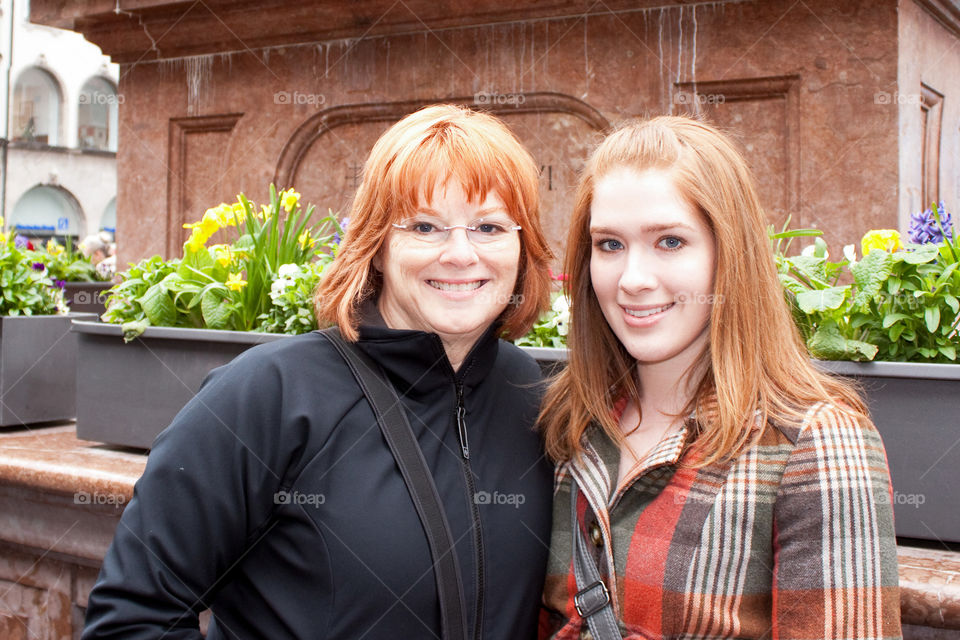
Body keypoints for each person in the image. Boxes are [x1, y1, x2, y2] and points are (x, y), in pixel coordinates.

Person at [83, 104, 555, 639]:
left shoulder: (532, 396)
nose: (460, 253)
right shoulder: (269, 394)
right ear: (376, 246)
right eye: (425, 226)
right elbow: (130, 621)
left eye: (489, 226)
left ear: (522, 246)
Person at [538, 116, 901, 639]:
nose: (634, 279)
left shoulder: (813, 443)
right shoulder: (574, 422)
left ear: (728, 254)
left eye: (669, 241)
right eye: (610, 245)